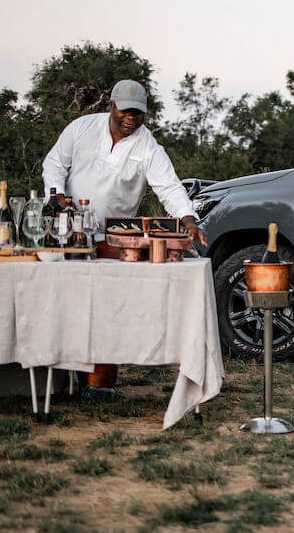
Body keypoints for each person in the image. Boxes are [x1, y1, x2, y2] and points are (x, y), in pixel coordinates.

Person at [42, 78, 208, 396]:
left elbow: (169, 187)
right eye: (125, 110)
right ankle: (59, 379)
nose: (131, 118)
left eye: (138, 113)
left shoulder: (148, 146)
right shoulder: (81, 129)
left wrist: (187, 219)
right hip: (69, 232)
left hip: (114, 237)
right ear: (112, 106)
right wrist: (58, 195)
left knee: (106, 304)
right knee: (65, 301)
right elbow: (54, 164)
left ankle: (98, 384)